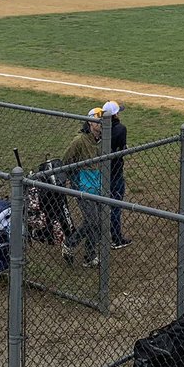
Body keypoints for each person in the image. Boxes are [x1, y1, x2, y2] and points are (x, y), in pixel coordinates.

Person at [62, 108, 103, 267]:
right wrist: (75, 180)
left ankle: (90, 255)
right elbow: (66, 161)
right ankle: (70, 243)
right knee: (92, 220)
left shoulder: (103, 139)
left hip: (98, 184)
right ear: (90, 122)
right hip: (83, 186)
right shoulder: (79, 141)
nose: (101, 124)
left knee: (98, 221)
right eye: (98, 121)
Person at [103, 100, 131, 249]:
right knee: (115, 205)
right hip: (115, 172)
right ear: (116, 114)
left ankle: (100, 236)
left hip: (99, 172)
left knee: (100, 205)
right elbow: (122, 148)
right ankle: (116, 238)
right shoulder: (120, 129)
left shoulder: (98, 127)